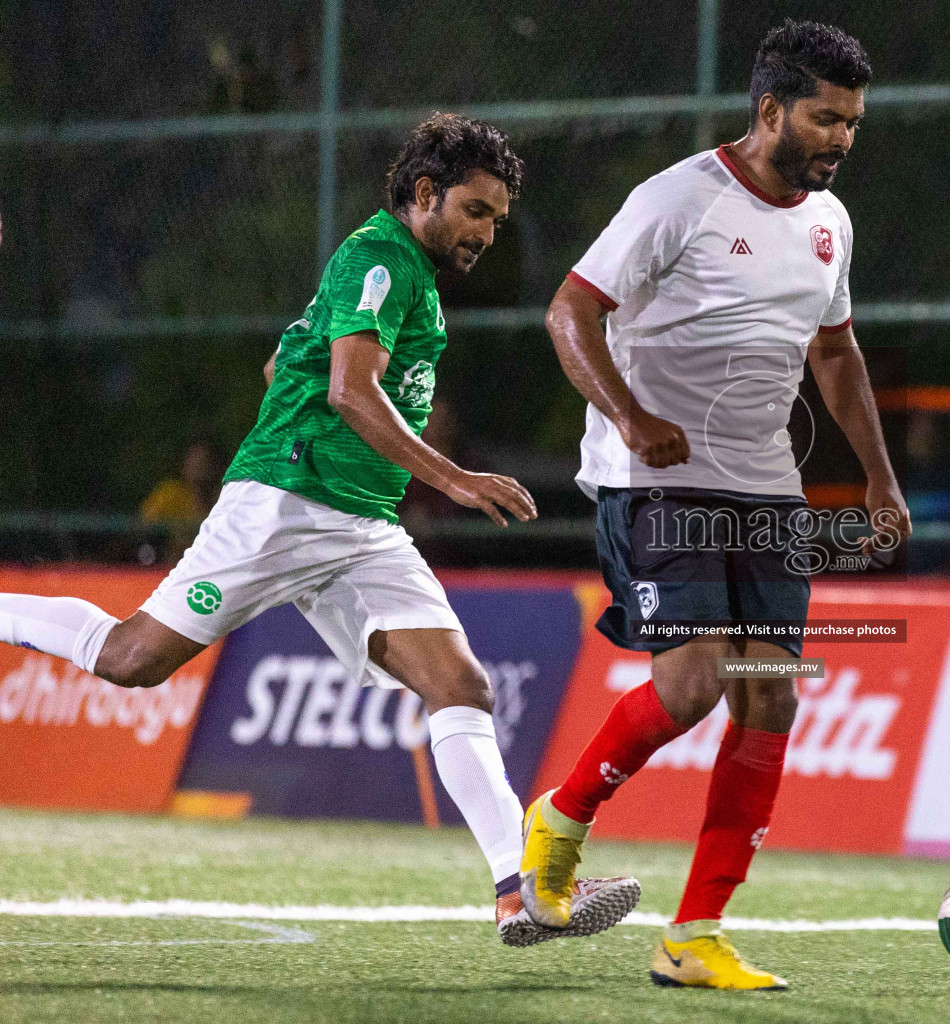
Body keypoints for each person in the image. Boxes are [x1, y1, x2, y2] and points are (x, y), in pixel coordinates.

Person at [0, 113, 637, 948]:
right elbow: (348, 389)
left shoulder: (400, 271)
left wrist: (330, 403)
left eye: (497, 219)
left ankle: (520, 891)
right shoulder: (379, 256)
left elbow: (287, 364)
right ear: (424, 194)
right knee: (130, 660)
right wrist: (452, 477)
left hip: (361, 526)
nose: (488, 232)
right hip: (287, 502)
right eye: (477, 211)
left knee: (463, 686)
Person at [526, 21, 910, 990]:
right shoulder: (677, 199)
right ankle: (561, 817)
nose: (842, 140)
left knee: (770, 691)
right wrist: (630, 410)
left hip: (766, 488)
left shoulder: (832, 223)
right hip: (653, 477)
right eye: (826, 118)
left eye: (855, 123)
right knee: (696, 680)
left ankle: (695, 931)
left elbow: (835, 350)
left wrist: (878, 474)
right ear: (770, 109)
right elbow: (571, 311)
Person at [140, 438, 226, 560]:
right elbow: (142, 530)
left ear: (218, 466)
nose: (199, 466)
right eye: (194, 459)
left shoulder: (226, 497)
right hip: (168, 567)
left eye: (205, 460)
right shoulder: (169, 494)